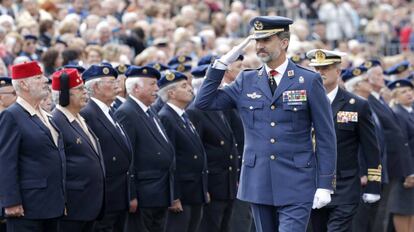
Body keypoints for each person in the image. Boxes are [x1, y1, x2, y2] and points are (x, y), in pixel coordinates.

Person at [194, 16, 337, 231]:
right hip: (259, 179)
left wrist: (325, 184)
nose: (259, 46)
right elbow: (203, 102)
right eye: (257, 41)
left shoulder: (307, 80)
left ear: (284, 42)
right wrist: (222, 63)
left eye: (266, 40)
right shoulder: (246, 80)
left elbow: (326, 135)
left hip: (297, 179)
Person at [306, 49, 381, 232]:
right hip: (310, 182)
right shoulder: (302, 101)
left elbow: (371, 148)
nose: (320, 73)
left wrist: (373, 185)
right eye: (316, 69)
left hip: (344, 185)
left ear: (338, 71)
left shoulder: (357, 105)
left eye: (326, 68)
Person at [0, 61, 66, 232]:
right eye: (38, 77)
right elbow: (6, 162)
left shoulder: (46, 115)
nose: (45, 80)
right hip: (28, 207)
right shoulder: (11, 116)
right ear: (23, 84)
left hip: (52, 203)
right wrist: (11, 201)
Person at [115, 65, 175, 232]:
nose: (157, 88)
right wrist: (131, 194)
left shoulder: (149, 110)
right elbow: (128, 157)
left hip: (159, 190)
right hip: (144, 193)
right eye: (152, 84)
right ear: (135, 88)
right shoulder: (126, 112)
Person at [80, 63, 136, 232]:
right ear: (96, 87)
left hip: (119, 192)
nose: (117, 86)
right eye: (111, 82)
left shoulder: (110, 110)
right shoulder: (87, 113)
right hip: (105, 195)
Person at [50, 68, 105, 232]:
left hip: (89, 204)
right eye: (79, 89)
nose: (85, 92)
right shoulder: (57, 121)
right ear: (65, 95)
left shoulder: (79, 118)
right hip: (73, 206)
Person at [157, 70, 209, 232]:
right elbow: (170, 160)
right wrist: (174, 196)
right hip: (183, 192)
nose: (190, 89)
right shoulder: (166, 116)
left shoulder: (182, 115)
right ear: (171, 93)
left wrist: (203, 189)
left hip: (194, 189)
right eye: (184, 86)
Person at [365, 64, 414, 231]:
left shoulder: (379, 100)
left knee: (386, 213)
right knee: (386, 213)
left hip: (394, 166)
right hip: (389, 166)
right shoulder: (371, 102)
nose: (382, 78)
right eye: (377, 75)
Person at [387, 79, 414, 232]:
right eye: (403, 92)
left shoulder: (410, 111)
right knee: (403, 209)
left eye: (410, 90)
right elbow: (401, 145)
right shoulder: (398, 113)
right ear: (395, 97)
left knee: (411, 210)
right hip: (404, 172)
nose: (409, 93)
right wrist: (408, 173)